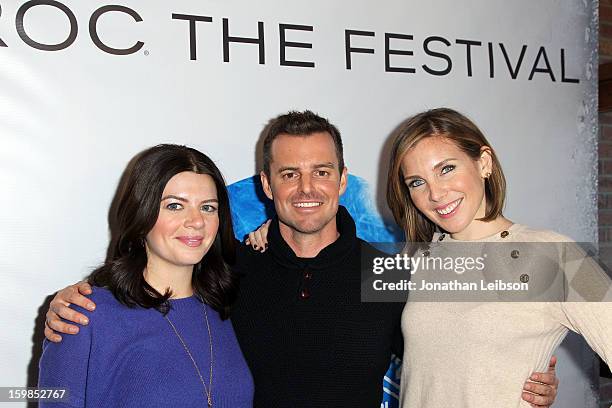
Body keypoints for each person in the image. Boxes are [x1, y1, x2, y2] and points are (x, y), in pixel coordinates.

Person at [42, 112, 558, 407]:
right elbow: (55, 388)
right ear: (267, 185)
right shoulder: (232, 275)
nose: (306, 188)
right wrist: (73, 300)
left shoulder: (391, 270)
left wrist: (527, 373)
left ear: (341, 179)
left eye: (321, 172)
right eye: (289, 174)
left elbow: (455, 341)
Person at [384, 108, 612, 407]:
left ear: (484, 163)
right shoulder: (418, 259)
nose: (435, 193)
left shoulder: (558, 254)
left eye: (446, 169)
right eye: (417, 182)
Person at [38, 144, 254, 407]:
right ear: (141, 215)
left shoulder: (231, 307)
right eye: (175, 206)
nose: (197, 221)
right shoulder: (83, 314)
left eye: (208, 207)